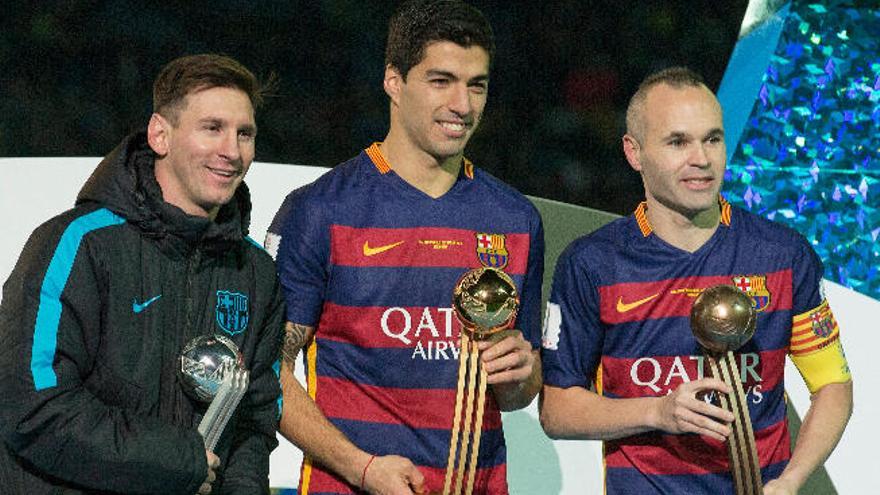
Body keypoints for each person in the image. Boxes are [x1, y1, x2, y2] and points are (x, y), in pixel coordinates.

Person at [264, 1, 544, 494]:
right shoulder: (320, 211)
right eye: (441, 81)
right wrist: (363, 468)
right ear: (393, 80)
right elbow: (268, 369)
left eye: (476, 85)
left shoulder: (516, 219)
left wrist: (523, 374)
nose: (463, 104)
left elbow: (519, 390)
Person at [539, 66, 853, 494]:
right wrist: (657, 412)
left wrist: (792, 479)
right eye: (677, 142)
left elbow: (833, 384)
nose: (701, 159)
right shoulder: (593, 263)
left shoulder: (783, 254)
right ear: (634, 153)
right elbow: (556, 410)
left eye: (712, 139)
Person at [0, 54, 283, 494]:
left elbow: (253, 422)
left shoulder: (256, 273)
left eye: (244, 133)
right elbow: (31, 405)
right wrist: (173, 458)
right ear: (160, 134)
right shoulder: (77, 244)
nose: (232, 151)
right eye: (212, 128)